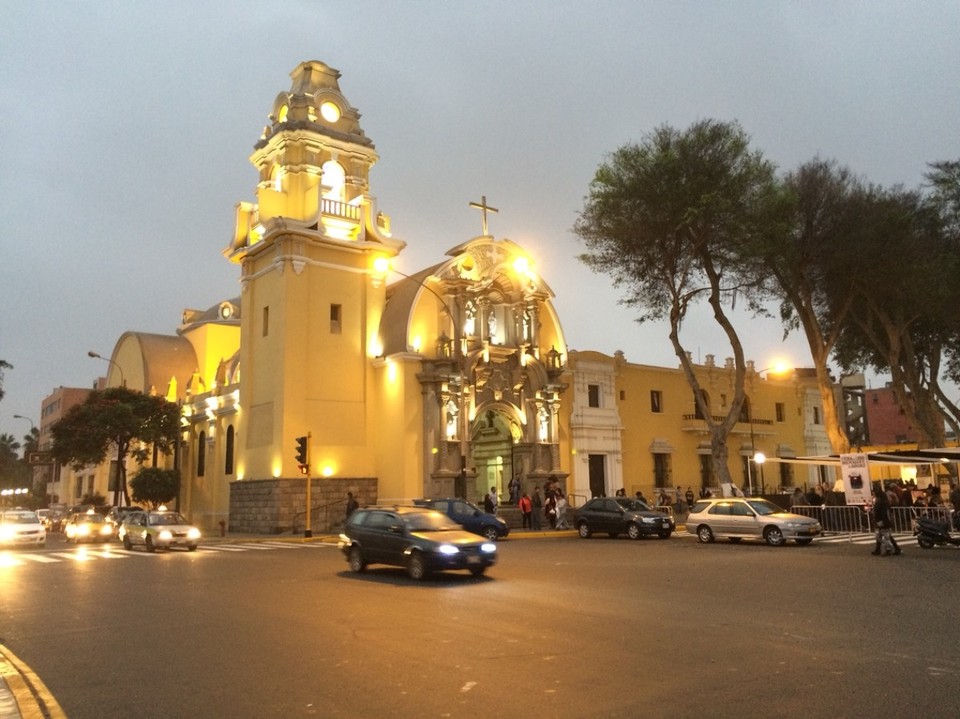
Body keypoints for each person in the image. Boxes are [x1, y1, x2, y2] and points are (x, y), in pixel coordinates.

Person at [871, 485, 901, 556]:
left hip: (882, 521)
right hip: (883, 520)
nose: (873, 494)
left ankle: (888, 550)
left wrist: (882, 521)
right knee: (883, 535)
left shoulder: (880, 501)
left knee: (882, 536)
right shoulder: (882, 500)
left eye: (873, 492)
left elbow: (882, 512)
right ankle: (894, 549)